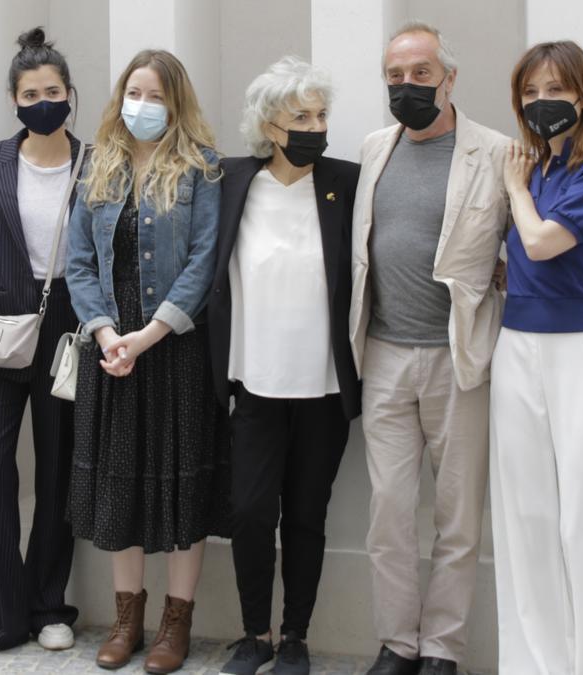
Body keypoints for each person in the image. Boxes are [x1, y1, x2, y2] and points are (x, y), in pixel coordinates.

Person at [349, 24, 583, 675]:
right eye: (396, 75)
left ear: (449, 79)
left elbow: (548, 242)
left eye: (422, 74)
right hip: (391, 356)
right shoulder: (373, 150)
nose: (407, 86)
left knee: (462, 519)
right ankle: (398, 642)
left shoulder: (506, 156)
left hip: (467, 356)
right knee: (390, 514)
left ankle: (443, 649)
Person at [65, 48, 229, 675]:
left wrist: (147, 336)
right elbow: (78, 261)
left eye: (156, 95)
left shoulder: (201, 170)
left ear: (177, 103)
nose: (142, 105)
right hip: (110, 350)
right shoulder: (98, 167)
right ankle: (127, 619)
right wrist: (108, 335)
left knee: (179, 483)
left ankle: (174, 624)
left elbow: (202, 264)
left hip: (175, 345)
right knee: (119, 483)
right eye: (134, 92)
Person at [490, 40, 583, 675]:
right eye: (529, 93)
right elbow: (510, 259)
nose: (541, 103)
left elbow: (543, 241)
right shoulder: (533, 164)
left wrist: (515, 190)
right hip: (516, 346)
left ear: (582, 92)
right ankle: (533, 664)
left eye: (554, 90)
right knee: (525, 519)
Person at [209, 57, 360, 675]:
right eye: (301, 116)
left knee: (306, 514)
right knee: (249, 511)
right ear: (269, 125)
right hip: (255, 381)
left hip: (324, 385)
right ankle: (254, 634)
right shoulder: (229, 181)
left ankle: (295, 636)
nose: (315, 126)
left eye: (322, 114)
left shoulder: (347, 182)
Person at [0, 27, 83, 658]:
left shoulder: (94, 163)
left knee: (58, 471)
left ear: (70, 95)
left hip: (67, 332)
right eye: (31, 92)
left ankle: (49, 605)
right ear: (14, 100)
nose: (43, 100)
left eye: (53, 90)